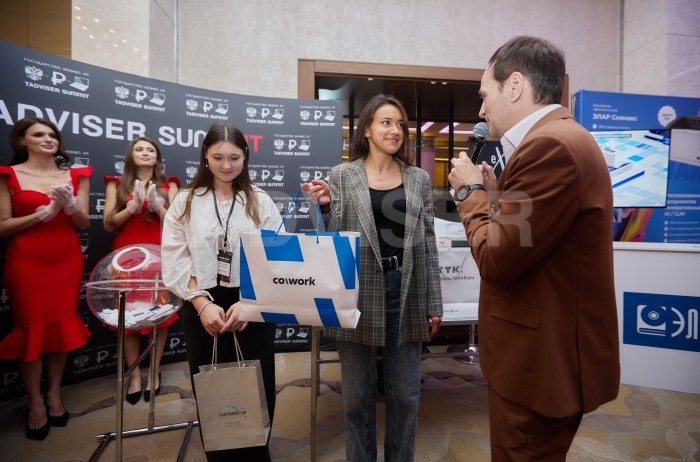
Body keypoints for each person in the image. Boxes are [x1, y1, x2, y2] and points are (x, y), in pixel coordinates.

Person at [447, 35, 620, 460]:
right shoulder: (557, 138)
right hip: (541, 357)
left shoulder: (550, 146)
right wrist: (493, 198)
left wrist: (469, 193)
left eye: (485, 95)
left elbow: (497, 259)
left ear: (515, 86)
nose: (481, 111)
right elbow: (532, 237)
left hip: (538, 365)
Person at [302, 93, 443, 462]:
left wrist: (434, 302)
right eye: (386, 122)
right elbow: (334, 237)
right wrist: (326, 206)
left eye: (400, 124)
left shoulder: (417, 179)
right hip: (356, 291)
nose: (395, 130)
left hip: (405, 290)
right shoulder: (342, 175)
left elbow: (428, 243)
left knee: (406, 396)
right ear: (366, 129)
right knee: (357, 398)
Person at [161, 122, 282, 461]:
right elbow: (175, 257)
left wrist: (250, 303)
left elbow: (275, 257)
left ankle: (256, 454)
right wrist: (201, 305)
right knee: (211, 384)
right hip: (203, 303)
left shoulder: (260, 201)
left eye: (234, 158)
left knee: (256, 383)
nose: (226, 165)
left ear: (245, 157)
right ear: (205, 156)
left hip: (252, 302)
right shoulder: (185, 201)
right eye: (218, 157)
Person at [0, 117, 91, 440]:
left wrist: (68, 206)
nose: (48, 139)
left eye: (52, 134)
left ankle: (53, 394)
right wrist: (42, 213)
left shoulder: (76, 175)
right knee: (33, 329)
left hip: (66, 260)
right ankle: (35, 402)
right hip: (26, 262)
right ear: (21, 140)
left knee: (60, 328)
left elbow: (83, 223)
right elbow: (3, 226)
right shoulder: (8, 175)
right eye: (39, 134)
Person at [103, 136, 180, 404]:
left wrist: (158, 207)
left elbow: (176, 224)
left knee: (159, 315)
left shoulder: (170, 185)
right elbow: (108, 224)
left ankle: (154, 372)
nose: (145, 153)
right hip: (126, 257)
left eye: (150, 150)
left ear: (157, 157)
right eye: (139, 149)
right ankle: (134, 375)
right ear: (131, 155)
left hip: (159, 255)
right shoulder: (116, 184)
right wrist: (131, 208)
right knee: (128, 319)